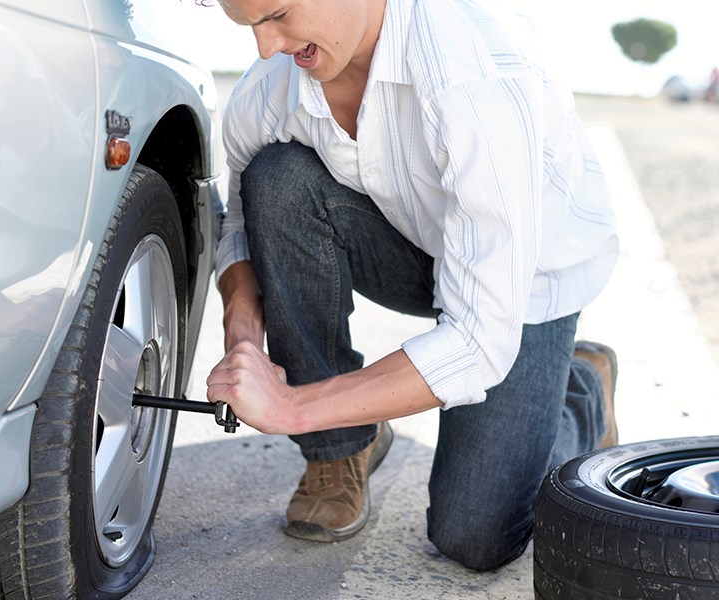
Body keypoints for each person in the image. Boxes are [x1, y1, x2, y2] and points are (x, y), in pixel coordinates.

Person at [206, 0, 619, 571]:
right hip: (412, 240)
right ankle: (341, 447)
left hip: (524, 282)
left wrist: (291, 407)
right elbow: (241, 223)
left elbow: (477, 343)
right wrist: (244, 333)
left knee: (476, 537)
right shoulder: (271, 90)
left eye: (276, 14)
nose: (265, 46)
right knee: (274, 180)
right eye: (249, 25)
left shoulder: (478, 78)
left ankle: (580, 391)